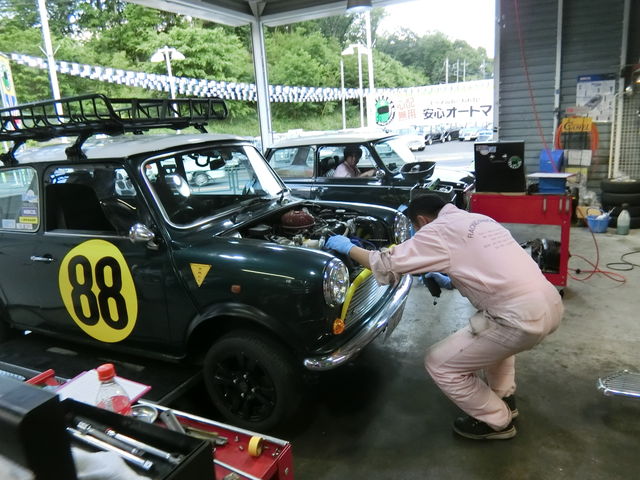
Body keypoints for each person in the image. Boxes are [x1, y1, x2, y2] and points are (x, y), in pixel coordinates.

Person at [324, 193, 563, 440]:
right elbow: (486, 264)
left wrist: (347, 247)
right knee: (493, 343)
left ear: (422, 220)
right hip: (548, 304)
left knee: (440, 363)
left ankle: (496, 420)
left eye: (416, 229)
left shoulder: (437, 230)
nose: (417, 234)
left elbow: (384, 264)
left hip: (517, 318)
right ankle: (504, 399)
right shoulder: (479, 220)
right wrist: (450, 279)